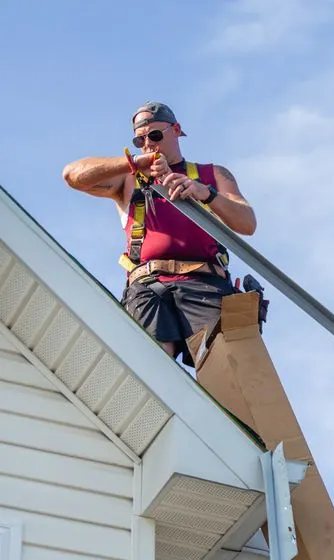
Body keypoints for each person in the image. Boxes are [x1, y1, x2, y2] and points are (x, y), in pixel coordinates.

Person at [62, 101, 257, 367]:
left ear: (176, 130)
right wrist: (133, 163)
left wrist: (204, 193)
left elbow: (247, 223)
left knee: (224, 368)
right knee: (152, 369)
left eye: (154, 135)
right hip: (148, 285)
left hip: (205, 284)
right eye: (139, 139)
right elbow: (72, 175)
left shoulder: (212, 175)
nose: (148, 144)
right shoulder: (129, 179)